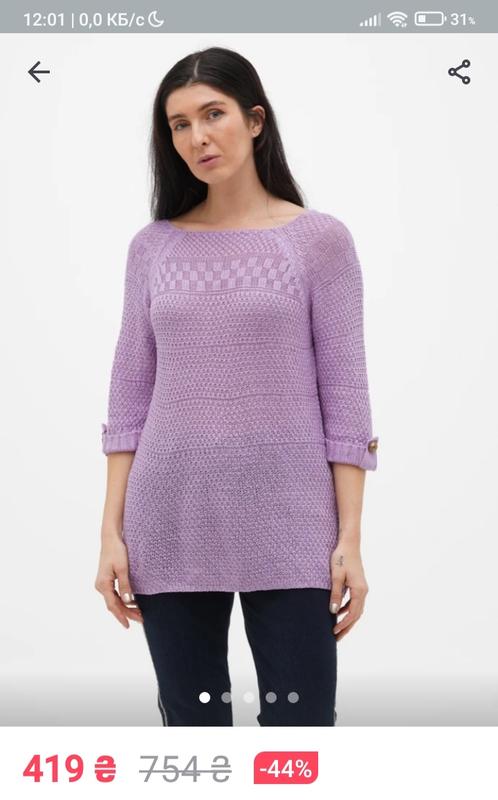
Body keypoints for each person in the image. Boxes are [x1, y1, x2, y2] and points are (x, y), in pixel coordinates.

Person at [95, 46, 379, 727]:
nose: (197, 137)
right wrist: (110, 533)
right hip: (169, 517)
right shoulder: (153, 247)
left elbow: (346, 400)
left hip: (292, 520)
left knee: (300, 734)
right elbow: (129, 400)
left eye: (213, 114)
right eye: (179, 124)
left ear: (255, 121)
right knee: (194, 731)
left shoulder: (318, 241)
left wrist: (350, 537)